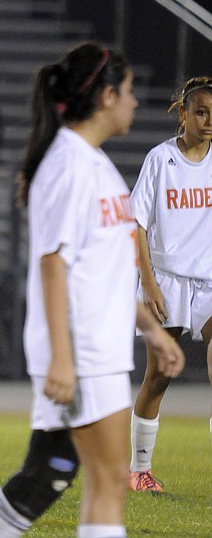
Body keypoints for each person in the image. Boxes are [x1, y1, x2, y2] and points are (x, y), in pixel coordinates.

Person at [0, 42, 185, 538]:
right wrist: (62, 358)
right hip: (83, 351)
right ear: (106, 96)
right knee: (105, 482)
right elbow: (53, 264)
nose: (135, 102)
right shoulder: (68, 164)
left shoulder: (95, 164)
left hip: (99, 347)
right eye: (128, 92)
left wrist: (152, 330)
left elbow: (104, 269)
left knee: (52, 474)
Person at [128, 76, 212, 493]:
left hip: (210, 282)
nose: (208, 120)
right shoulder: (161, 160)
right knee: (159, 375)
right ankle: (139, 470)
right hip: (167, 279)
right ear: (183, 113)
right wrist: (150, 284)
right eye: (200, 111)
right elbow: (136, 224)